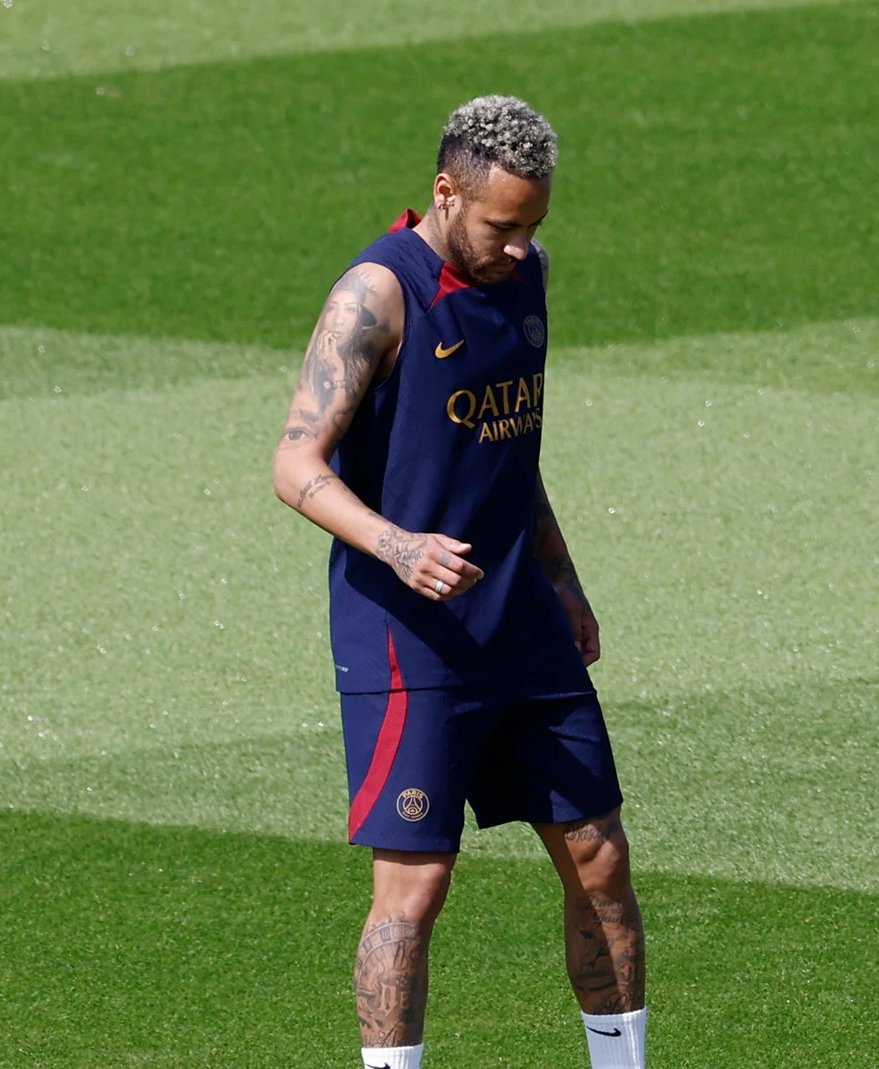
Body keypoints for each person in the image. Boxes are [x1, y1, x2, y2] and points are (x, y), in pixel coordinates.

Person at [272, 96, 646, 1069]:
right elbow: (294, 463)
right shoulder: (377, 295)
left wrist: (563, 581)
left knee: (600, 856)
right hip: (408, 633)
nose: (520, 247)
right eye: (502, 225)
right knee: (416, 886)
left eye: (534, 226)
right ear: (445, 193)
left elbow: (508, 454)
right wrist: (396, 546)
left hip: (520, 618)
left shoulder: (529, 278)